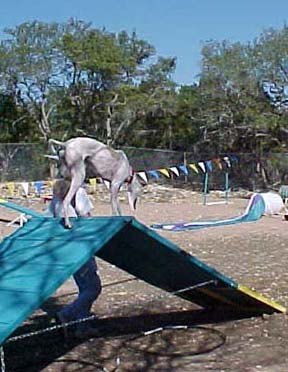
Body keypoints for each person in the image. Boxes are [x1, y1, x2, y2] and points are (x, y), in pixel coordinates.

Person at [46, 179, 102, 338]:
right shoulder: (78, 192)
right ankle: (66, 314)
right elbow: (85, 215)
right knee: (93, 288)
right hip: (81, 243)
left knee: (84, 288)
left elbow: (50, 217)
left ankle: (82, 328)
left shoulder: (57, 195)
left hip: (66, 246)